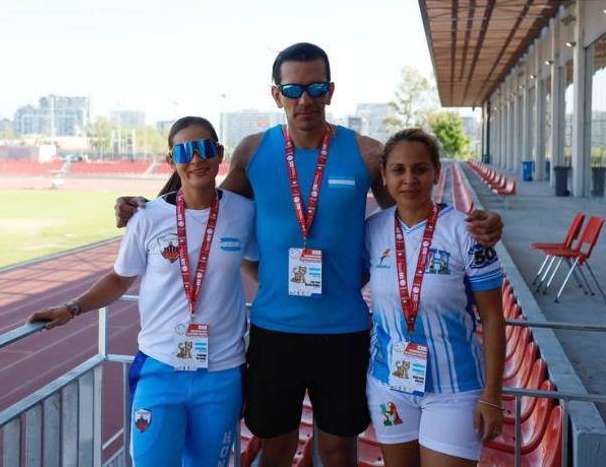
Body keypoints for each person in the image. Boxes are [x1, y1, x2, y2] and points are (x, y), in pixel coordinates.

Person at [114, 43, 502, 467]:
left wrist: (474, 224)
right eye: (293, 89)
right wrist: (148, 208)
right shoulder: (252, 150)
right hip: (274, 329)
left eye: (316, 87)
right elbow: (211, 213)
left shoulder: (364, 152)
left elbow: (407, 219)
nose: (305, 100)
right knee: (275, 446)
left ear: (331, 91)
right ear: (275, 94)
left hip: (344, 329)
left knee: (337, 448)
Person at [29, 117, 257, 467]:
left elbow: (260, 265)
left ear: (219, 152)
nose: (196, 158)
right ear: (171, 161)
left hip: (222, 373)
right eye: (184, 150)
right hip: (160, 368)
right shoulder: (147, 217)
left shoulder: (243, 213)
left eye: (204, 148)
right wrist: (71, 308)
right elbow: (119, 280)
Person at [365, 129, 504, 467]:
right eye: (398, 170)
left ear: (436, 173)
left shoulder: (467, 231)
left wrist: (493, 397)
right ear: (384, 176)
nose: (409, 179)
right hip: (388, 383)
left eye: (420, 169)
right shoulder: (371, 230)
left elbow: (493, 318)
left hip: (454, 391)